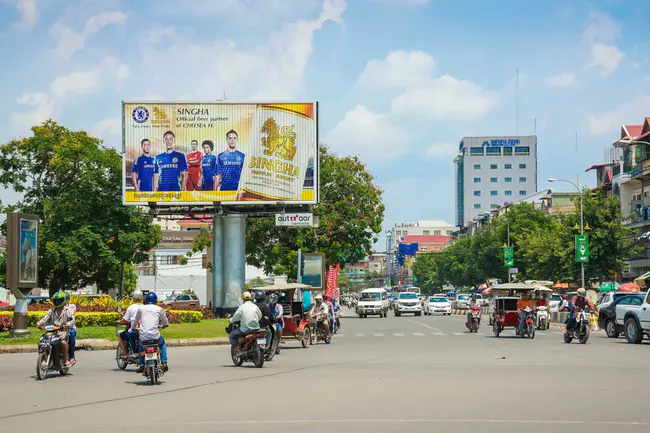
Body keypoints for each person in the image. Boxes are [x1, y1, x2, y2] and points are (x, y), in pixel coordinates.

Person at [36, 291, 74, 367]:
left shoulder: (68, 310)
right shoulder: (51, 311)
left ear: (63, 300)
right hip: (51, 331)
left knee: (63, 342)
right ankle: (43, 356)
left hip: (62, 331)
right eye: (55, 301)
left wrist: (67, 325)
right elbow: (45, 319)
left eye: (59, 300)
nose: (57, 302)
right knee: (41, 341)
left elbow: (72, 320)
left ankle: (66, 360)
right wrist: (39, 324)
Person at [134, 292, 169, 373]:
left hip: (144, 337)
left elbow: (136, 320)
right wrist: (165, 325)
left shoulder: (141, 308)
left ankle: (142, 365)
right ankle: (164, 362)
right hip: (155, 337)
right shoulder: (159, 309)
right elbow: (165, 321)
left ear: (145, 300)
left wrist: (134, 327)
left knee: (141, 346)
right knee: (162, 343)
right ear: (155, 300)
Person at [117, 290, 144, 359]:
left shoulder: (131, 307)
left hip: (135, 330)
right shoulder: (145, 307)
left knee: (121, 335)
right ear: (142, 298)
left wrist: (120, 321)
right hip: (145, 331)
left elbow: (125, 319)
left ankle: (125, 354)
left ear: (133, 298)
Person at [64, 292, 77, 366]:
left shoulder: (72, 306)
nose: (65, 300)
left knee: (71, 334)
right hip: (60, 328)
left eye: (66, 299)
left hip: (70, 328)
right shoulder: (57, 308)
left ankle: (72, 356)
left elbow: (72, 316)